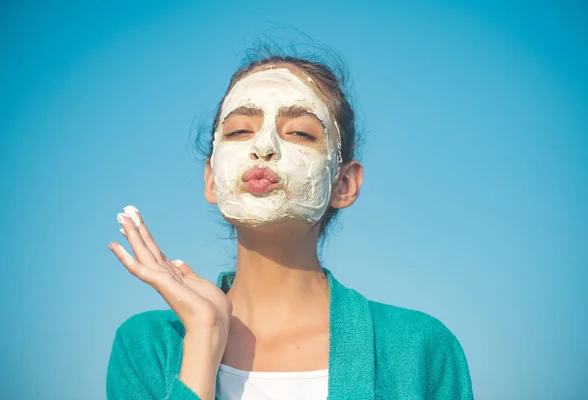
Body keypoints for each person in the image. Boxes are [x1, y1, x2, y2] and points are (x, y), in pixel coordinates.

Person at [106, 50, 474, 400]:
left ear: (343, 184)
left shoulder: (420, 347)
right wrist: (204, 339)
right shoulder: (148, 344)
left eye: (299, 133)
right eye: (238, 132)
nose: (263, 147)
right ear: (211, 179)